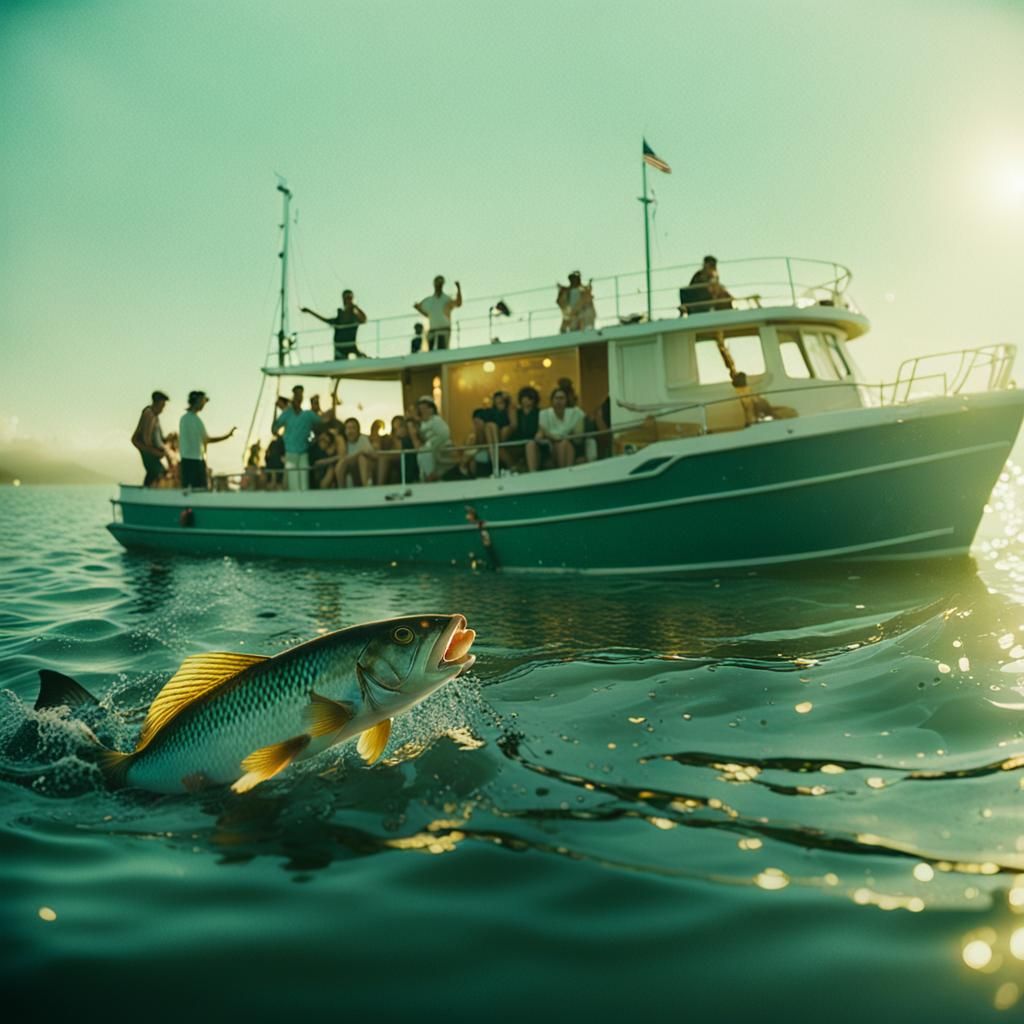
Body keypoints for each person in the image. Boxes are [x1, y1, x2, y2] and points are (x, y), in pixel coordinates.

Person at [272, 385, 333, 491]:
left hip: (304, 453)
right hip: (290, 454)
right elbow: (274, 429)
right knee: (293, 484)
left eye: (300, 394)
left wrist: (332, 404)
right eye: (296, 394)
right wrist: (284, 438)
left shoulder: (308, 415)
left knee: (304, 484)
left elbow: (323, 421)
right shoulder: (287, 414)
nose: (298, 397)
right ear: (293, 396)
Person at [179, 391, 236, 490]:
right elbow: (207, 440)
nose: (203, 404)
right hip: (194, 462)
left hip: (190, 460)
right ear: (195, 401)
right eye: (202, 401)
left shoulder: (186, 419)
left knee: (190, 491)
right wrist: (227, 436)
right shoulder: (193, 420)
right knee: (199, 490)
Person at [528, 386, 585, 471]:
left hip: (569, 444)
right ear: (552, 400)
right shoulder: (544, 414)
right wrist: (542, 435)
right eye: (556, 398)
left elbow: (578, 438)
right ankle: (532, 474)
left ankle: (563, 474)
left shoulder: (575, 413)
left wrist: (557, 437)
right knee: (530, 444)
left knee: (563, 444)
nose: (559, 401)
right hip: (549, 446)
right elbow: (541, 432)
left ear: (566, 400)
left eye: (562, 398)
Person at [300, 290, 368, 360]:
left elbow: (364, 319)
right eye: (346, 298)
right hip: (340, 348)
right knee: (340, 363)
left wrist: (356, 307)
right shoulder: (339, 319)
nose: (348, 300)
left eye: (350, 298)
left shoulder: (355, 318)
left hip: (351, 346)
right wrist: (309, 311)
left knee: (363, 359)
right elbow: (325, 320)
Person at [409, 396, 455, 481]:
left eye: (425, 409)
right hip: (427, 450)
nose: (423, 411)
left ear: (431, 409)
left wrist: (433, 445)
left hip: (439, 449)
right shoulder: (421, 424)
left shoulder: (436, 420)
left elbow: (444, 435)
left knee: (425, 454)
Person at [131, 390, 170, 487]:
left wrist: (167, 440)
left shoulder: (155, 417)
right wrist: (157, 452)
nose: (163, 409)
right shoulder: (149, 414)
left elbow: (158, 437)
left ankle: (146, 491)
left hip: (151, 449)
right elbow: (146, 439)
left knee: (155, 472)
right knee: (158, 471)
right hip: (146, 448)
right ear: (157, 403)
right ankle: (147, 492)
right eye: (162, 405)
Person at [414, 275, 462, 350]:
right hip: (432, 331)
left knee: (441, 353)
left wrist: (458, 289)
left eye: (440, 283)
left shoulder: (446, 299)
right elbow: (422, 311)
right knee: (432, 356)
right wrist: (418, 308)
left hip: (443, 331)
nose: (439, 285)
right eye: (437, 283)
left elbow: (458, 303)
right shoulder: (429, 301)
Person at [505, 386, 540, 469]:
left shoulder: (538, 413)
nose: (527, 400)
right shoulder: (517, 413)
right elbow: (513, 426)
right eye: (525, 397)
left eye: (530, 398)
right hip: (518, 443)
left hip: (534, 442)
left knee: (531, 446)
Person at [338, 417, 376, 487]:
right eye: (348, 428)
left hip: (365, 468)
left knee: (362, 458)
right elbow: (343, 459)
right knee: (341, 464)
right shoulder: (344, 443)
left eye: (353, 428)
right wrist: (358, 453)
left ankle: (366, 487)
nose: (351, 431)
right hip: (350, 469)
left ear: (358, 430)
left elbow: (372, 454)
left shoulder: (363, 439)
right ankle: (341, 490)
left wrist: (359, 454)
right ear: (345, 431)